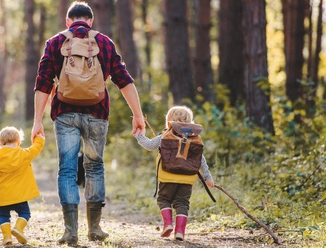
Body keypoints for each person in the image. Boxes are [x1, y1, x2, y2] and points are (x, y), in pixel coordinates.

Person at [31, 1, 145, 246]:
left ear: (68, 22)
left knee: (67, 170)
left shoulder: (55, 43)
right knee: (94, 167)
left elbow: (43, 83)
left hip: (64, 114)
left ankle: (70, 231)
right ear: (91, 21)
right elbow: (123, 80)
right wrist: (138, 115)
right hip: (97, 113)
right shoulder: (103, 42)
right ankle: (95, 228)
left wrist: (36, 121)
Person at [134, 106, 215, 241]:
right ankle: (180, 232)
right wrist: (208, 177)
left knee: (163, 199)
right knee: (182, 203)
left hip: (167, 176)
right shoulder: (195, 139)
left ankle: (168, 224)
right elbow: (201, 160)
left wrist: (138, 135)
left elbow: (149, 146)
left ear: (169, 122)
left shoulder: (165, 136)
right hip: (187, 179)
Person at [0, 126, 45, 246]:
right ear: (18, 142)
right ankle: (18, 229)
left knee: (3, 215)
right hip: (20, 195)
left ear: (0, 143)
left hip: (3, 196)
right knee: (25, 213)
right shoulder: (23, 154)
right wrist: (39, 138)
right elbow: (35, 149)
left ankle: (7, 237)